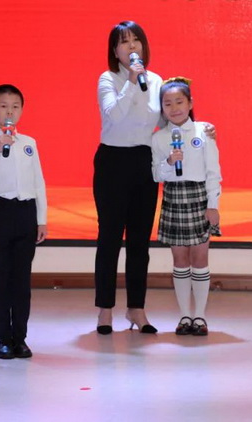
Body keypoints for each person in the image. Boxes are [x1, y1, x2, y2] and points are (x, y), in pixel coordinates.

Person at [93, 21, 217, 335]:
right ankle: (105, 310)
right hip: (112, 161)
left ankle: (136, 308)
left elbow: (171, 119)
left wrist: (201, 128)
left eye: (136, 40)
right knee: (109, 238)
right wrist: (131, 82)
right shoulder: (108, 79)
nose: (131, 46)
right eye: (124, 42)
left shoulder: (156, 80)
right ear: (115, 50)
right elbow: (114, 115)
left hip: (144, 161)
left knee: (139, 240)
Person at [0, 84, 47, 359]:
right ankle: (4, 338)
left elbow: (38, 182)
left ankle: (20, 337)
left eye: (15, 106)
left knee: (21, 279)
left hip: (26, 212)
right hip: (0, 212)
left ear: (22, 110)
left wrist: (41, 219)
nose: (9, 112)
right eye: (3, 106)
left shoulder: (29, 143)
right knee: (1, 277)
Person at [151, 77, 222, 336]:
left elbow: (213, 171)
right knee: (180, 259)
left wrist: (213, 204)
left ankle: (200, 317)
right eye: (167, 104)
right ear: (161, 109)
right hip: (174, 198)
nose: (174, 108)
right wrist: (170, 162)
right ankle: (184, 316)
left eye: (179, 102)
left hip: (199, 197)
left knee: (200, 257)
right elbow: (156, 175)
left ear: (190, 103)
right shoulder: (158, 139)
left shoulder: (204, 132)